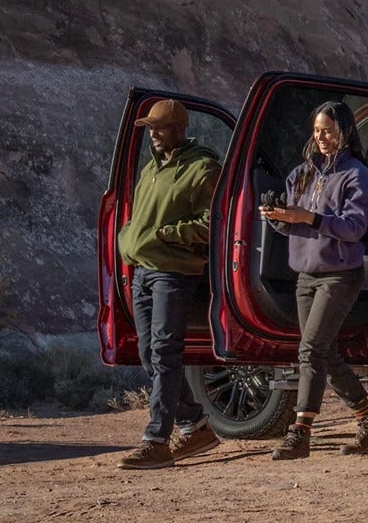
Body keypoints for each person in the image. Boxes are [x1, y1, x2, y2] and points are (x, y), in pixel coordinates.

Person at [259, 101, 368, 459]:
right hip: (305, 275)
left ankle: (300, 432)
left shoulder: (357, 176)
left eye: (328, 131)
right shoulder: (300, 174)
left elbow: (354, 228)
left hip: (340, 275)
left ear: (345, 132)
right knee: (325, 353)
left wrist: (311, 218)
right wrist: (276, 215)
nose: (320, 137)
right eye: (316, 130)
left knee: (311, 350)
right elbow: (292, 222)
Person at [115, 99, 224, 470]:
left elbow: (213, 222)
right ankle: (195, 425)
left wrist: (167, 234)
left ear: (180, 128)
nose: (154, 133)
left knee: (165, 353)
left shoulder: (203, 168)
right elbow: (138, 216)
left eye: (160, 127)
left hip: (174, 273)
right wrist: (128, 237)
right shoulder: (151, 168)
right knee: (149, 355)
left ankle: (156, 440)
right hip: (142, 272)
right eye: (150, 127)